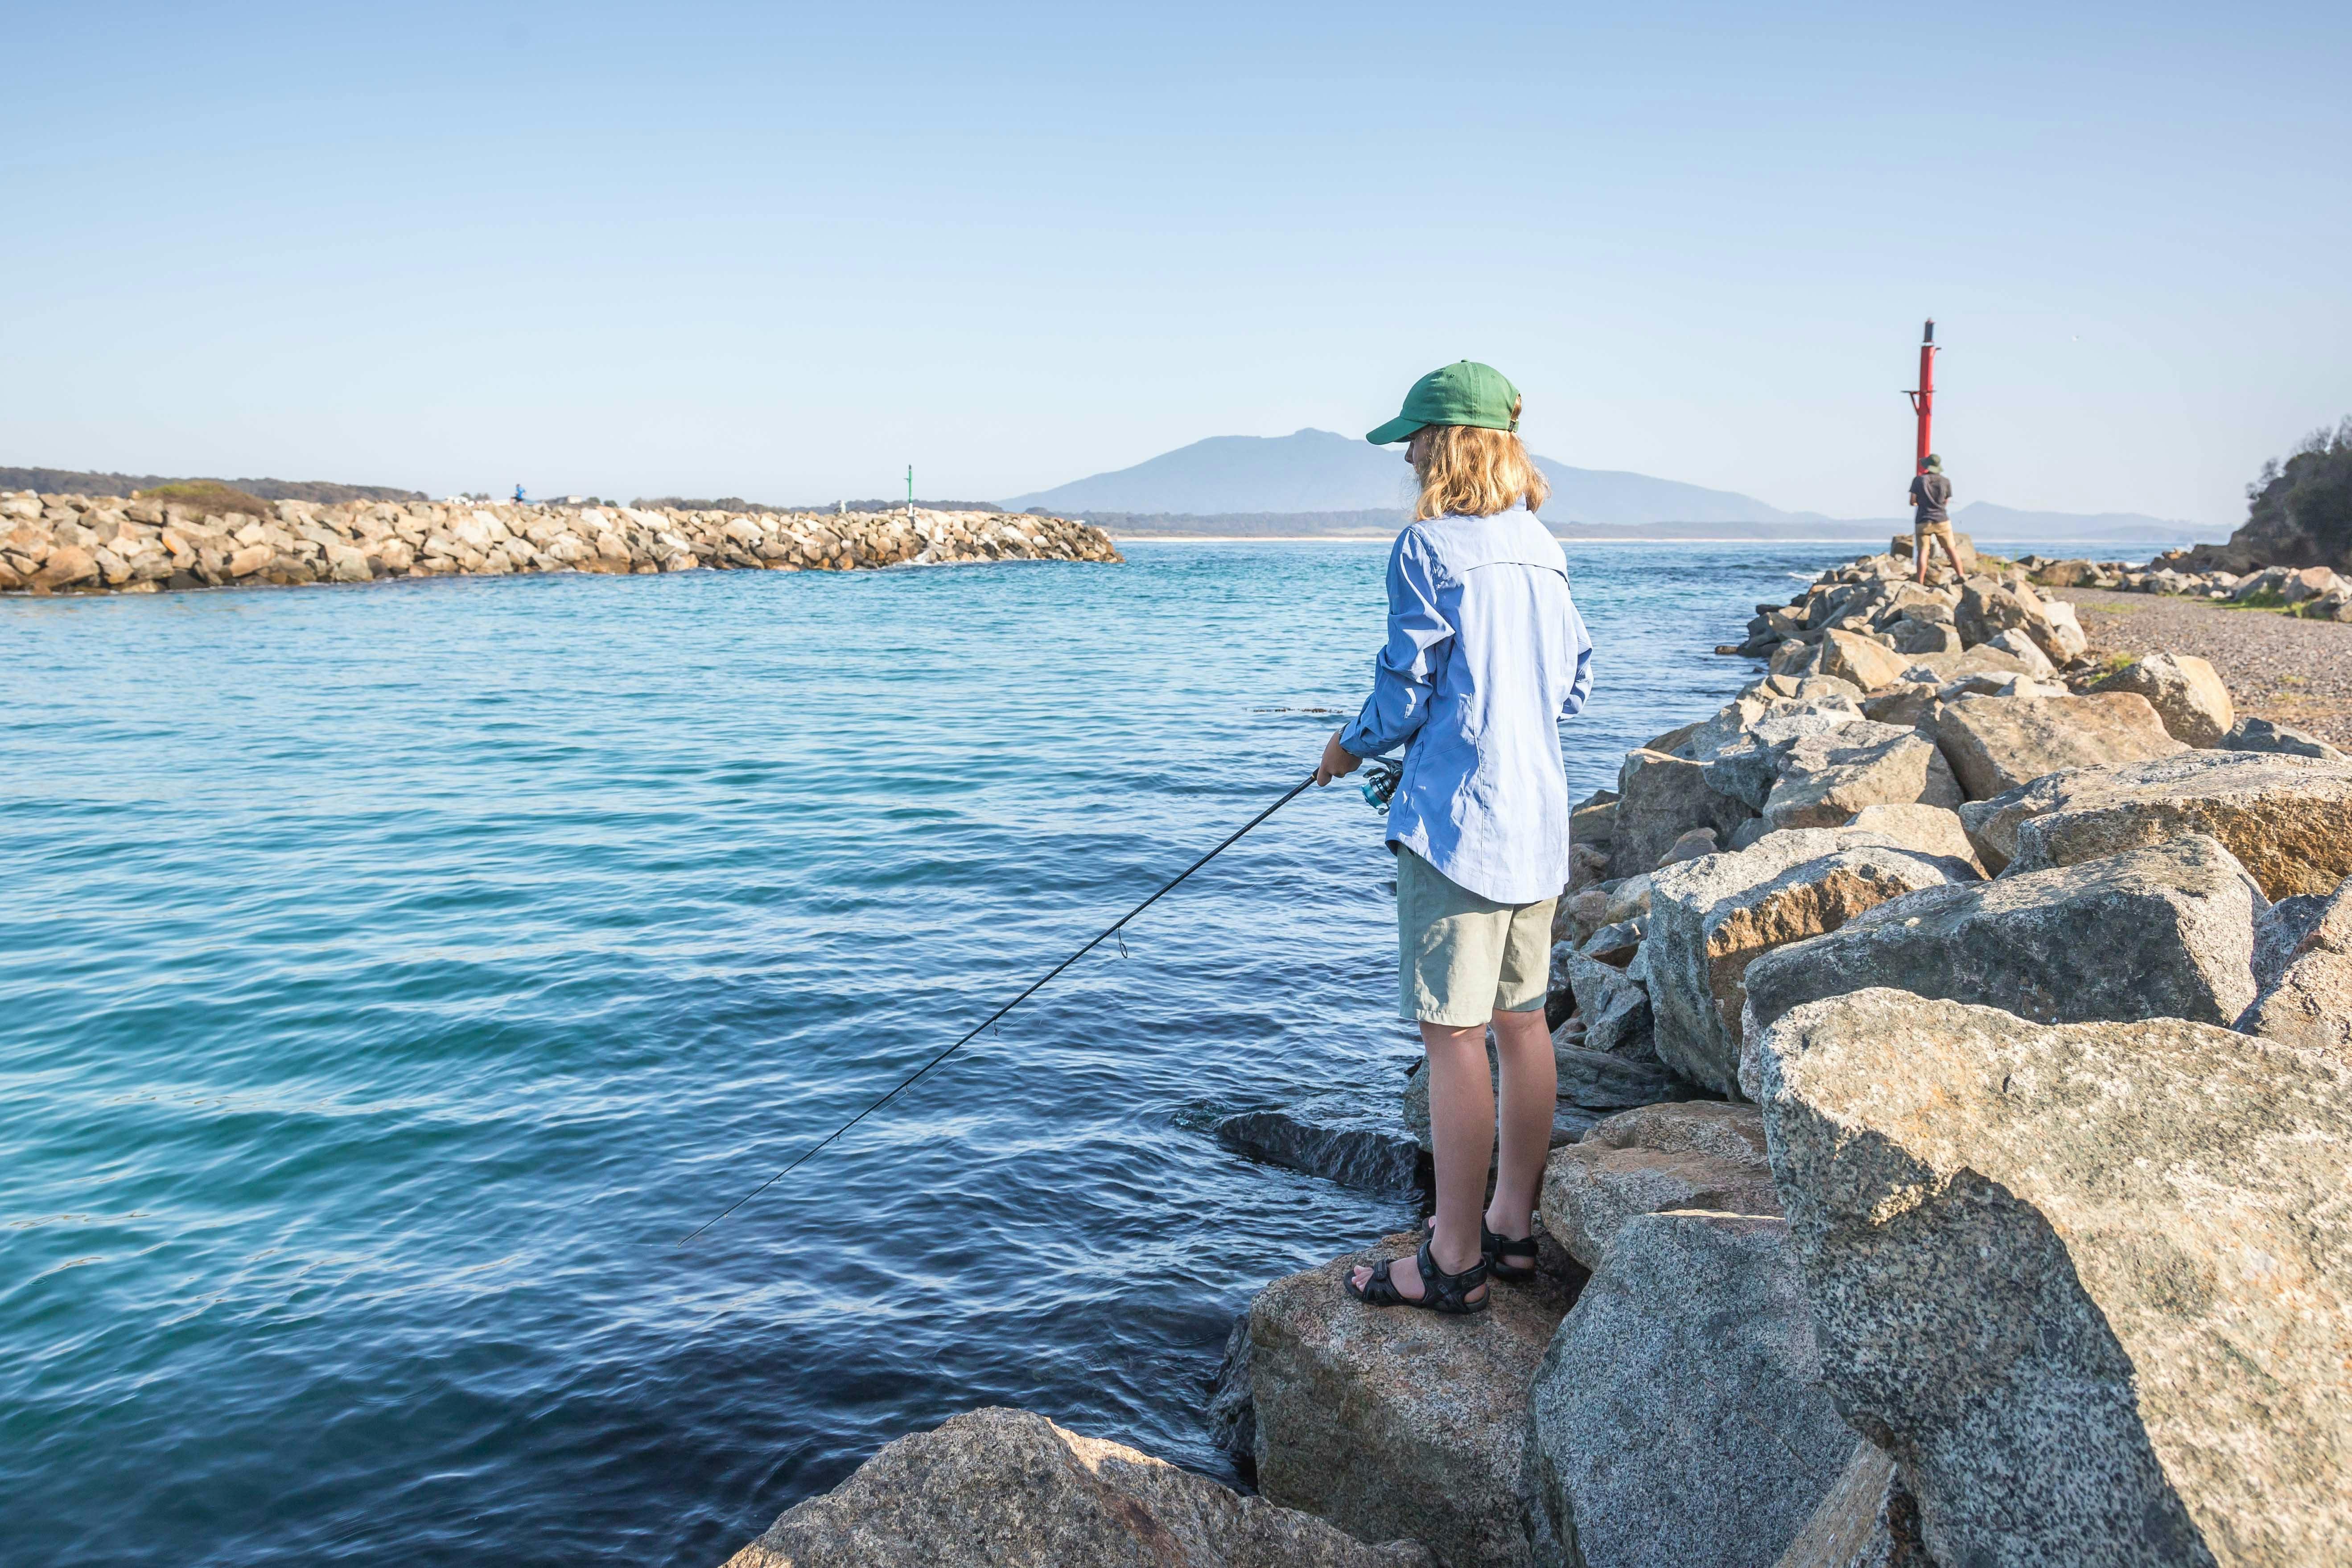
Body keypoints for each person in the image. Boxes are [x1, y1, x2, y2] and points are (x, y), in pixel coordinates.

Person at [1313, 361, 1593, 1314]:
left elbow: (1401, 696)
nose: (1409, 458)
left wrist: (1345, 748)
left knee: (1452, 1037)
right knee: (1521, 1026)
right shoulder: (1544, 547)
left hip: (1458, 828)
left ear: (1445, 445)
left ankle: (1452, 1258)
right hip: (1537, 821)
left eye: (1415, 442)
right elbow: (1574, 684)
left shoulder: (1427, 548)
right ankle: (1512, 1228)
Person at [1909, 455, 1961, 584]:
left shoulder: (1919, 481)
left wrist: (1920, 504)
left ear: (1927, 466)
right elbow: (1946, 502)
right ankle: (1961, 576)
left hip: (1923, 520)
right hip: (1942, 520)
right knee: (1951, 550)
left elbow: (1913, 501)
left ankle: (1920, 581)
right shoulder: (1946, 481)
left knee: (1923, 552)